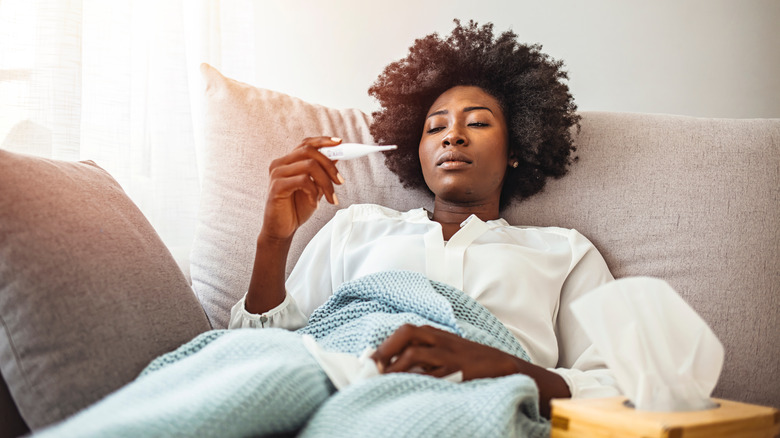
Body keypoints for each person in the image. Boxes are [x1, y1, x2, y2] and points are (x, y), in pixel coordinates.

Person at [230, 19, 619, 420]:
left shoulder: (564, 253)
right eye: (436, 127)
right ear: (416, 152)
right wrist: (273, 241)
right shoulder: (356, 228)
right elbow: (261, 357)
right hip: (343, 399)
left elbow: (621, 388)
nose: (452, 136)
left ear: (516, 148)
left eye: (479, 122)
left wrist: (505, 368)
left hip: (484, 415)